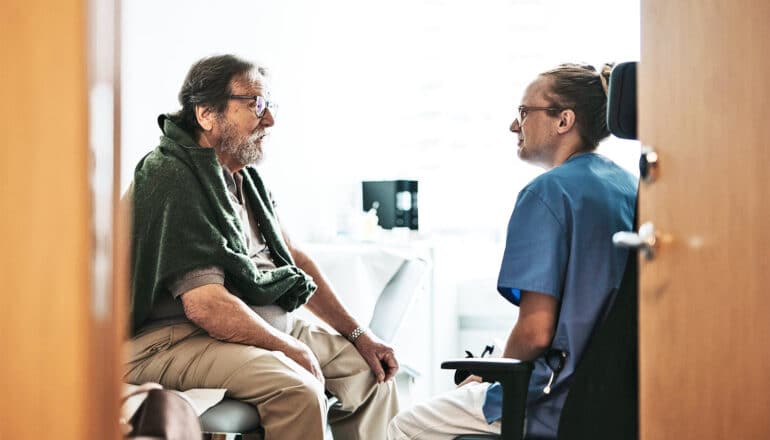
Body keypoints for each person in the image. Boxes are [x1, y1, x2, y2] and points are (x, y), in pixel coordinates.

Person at [124, 54, 400, 440]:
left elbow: (293, 256)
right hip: (174, 340)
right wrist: (289, 349)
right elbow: (205, 305)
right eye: (255, 104)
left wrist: (360, 334)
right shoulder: (172, 177)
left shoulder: (241, 176)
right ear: (206, 113)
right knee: (297, 389)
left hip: (251, 330)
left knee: (373, 372)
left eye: (268, 104)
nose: (269, 119)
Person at [387, 63, 637, 439]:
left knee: (405, 425)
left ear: (563, 120)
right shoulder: (629, 187)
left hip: (554, 395)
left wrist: (489, 373)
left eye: (524, 112)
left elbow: (535, 333)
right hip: (612, 395)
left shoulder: (548, 192)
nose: (513, 125)